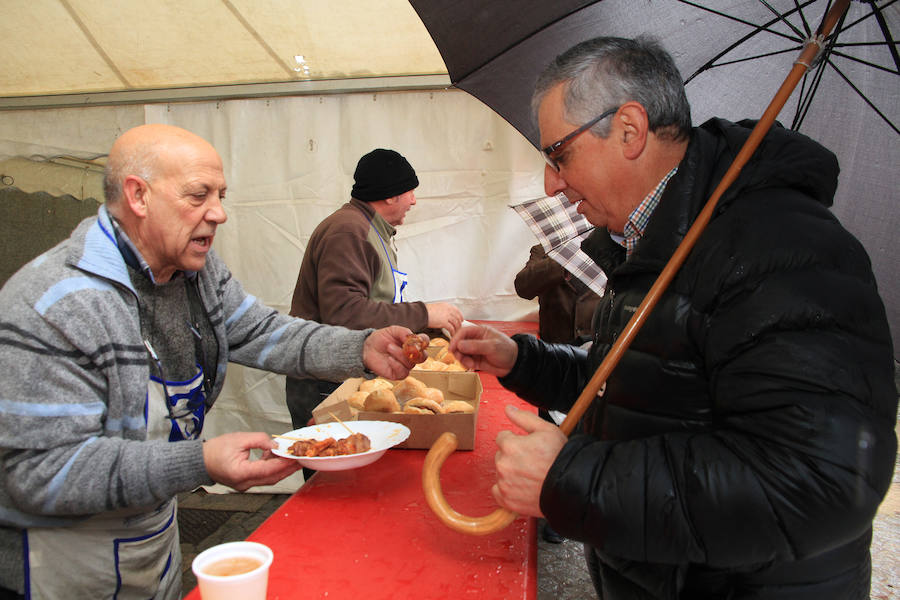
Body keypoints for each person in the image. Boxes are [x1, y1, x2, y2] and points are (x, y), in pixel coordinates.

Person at [449, 36, 897, 599]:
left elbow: (819, 479)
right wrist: (523, 359)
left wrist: (575, 480)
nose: (551, 183)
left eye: (559, 154)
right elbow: (633, 385)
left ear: (630, 129)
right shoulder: (652, 241)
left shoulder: (777, 246)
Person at [0, 124, 423, 600]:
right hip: (61, 569)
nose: (218, 213)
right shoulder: (56, 306)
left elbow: (261, 331)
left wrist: (358, 348)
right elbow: (43, 472)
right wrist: (199, 461)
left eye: (220, 195)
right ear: (138, 196)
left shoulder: (194, 274)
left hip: (150, 545)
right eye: (199, 196)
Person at [286, 148, 464, 431]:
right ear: (391, 194)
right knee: (335, 472)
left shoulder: (371, 229)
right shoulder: (348, 231)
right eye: (410, 192)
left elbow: (376, 301)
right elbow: (344, 314)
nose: (414, 201)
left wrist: (423, 329)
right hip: (326, 384)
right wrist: (423, 313)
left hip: (347, 374)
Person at [514, 242, 602, 543]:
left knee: (586, 432)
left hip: (595, 349)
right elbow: (523, 286)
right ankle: (550, 506)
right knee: (550, 431)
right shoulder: (543, 248)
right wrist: (563, 261)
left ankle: (572, 508)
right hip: (552, 354)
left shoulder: (611, 245)